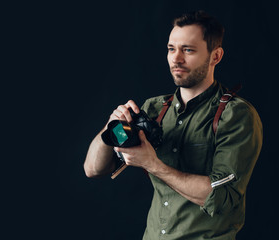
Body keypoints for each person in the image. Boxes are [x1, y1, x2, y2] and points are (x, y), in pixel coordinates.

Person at [84, 10, 263, 240]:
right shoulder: (154, 109)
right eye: (171, 49)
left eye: (188, 50)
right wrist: (111, 127)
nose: (176, 58)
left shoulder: (235, 115)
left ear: (215, 56)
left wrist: (152, 164)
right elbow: (93, 169)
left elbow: (222, 197)